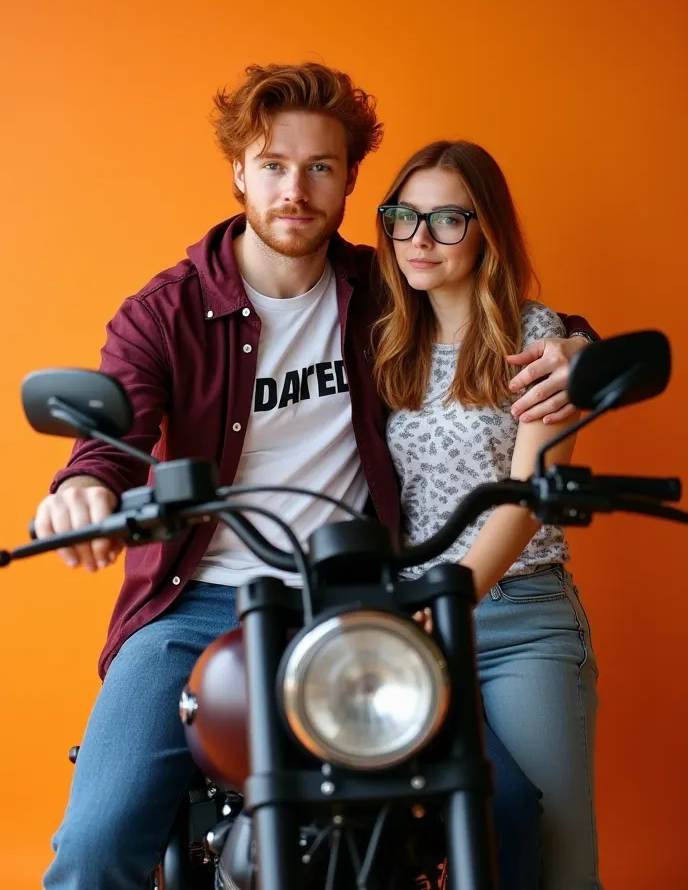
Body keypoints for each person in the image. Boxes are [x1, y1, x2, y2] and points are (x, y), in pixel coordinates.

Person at [35, 63, 597, 889]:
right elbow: (113, 435)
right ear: (238, 172)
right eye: (272, 165)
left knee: (501, 807)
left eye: (320, 168)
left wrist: (577, 346)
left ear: (349, 181)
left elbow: (496, 309)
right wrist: (83, 487)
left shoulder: (383, 287)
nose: (295, 189)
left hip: (358, 604)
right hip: (196, 607)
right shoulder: (167, 311)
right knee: (96, 841)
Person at [374, 139, 601, 889]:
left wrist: (450, 598)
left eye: (447, 220)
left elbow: (530, 494)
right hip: (411, 631)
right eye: (404, 218)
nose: (419, 240)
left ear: (488, 231)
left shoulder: (536, 339)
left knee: (554, 858)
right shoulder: (385, 344)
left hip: (518, 619)